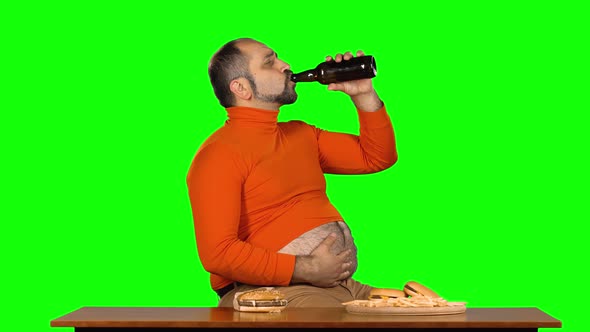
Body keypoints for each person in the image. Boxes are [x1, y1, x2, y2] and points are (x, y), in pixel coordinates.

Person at [186, 38, 398, 307]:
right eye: (269, 62)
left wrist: (363, 95)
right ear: (241, 88)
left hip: (342, 286)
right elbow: (218, 254)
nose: (285, 65)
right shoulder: (218, 155)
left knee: (432, 311)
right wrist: (306, 267)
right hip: (270, 292)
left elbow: (377, 157)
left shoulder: (301, 134)